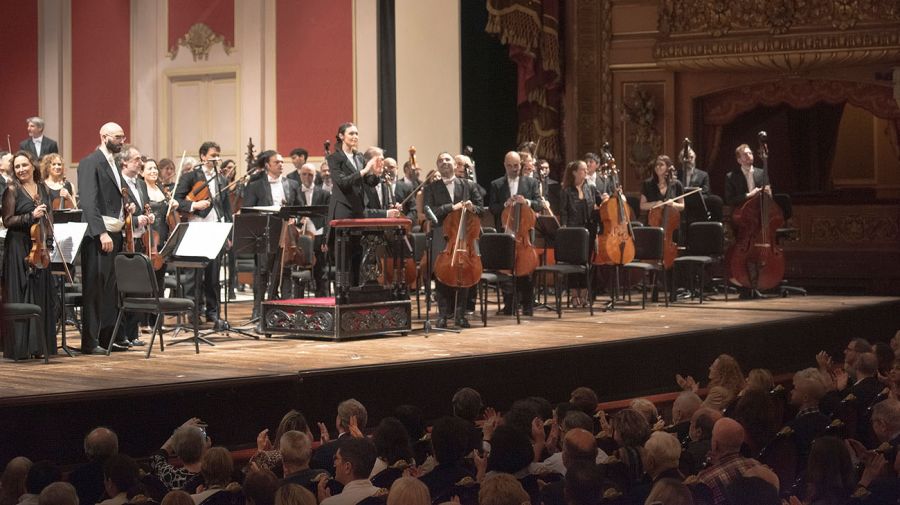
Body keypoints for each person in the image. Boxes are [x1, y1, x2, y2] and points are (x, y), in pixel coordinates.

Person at [77, 122, 131, 354]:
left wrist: (127, 205)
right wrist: (101, 233)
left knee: (110, 290)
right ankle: (90, 342)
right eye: (118, 137)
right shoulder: (90, 162)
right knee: (95, 289)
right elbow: (89, 202)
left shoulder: (114, 162)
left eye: (122, 137)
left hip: (115, 232)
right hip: (100, 235)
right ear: (104, 136)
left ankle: (107, 339)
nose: (122, 141)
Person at [1, 151, 58, 360]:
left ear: (33, 166)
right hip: (18, 248)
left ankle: (39, 346)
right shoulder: (12, 190)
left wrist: (49, 244)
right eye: (17, 167)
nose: (21, 169)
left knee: (41, 292)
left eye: (24, 165)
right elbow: (7, 220)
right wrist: (30, 216)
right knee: (22, 291)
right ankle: (21, 347)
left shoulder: (42, 188)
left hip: (39, 246)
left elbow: (49, 216)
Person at [423, 152, 484, 328]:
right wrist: (451, 207)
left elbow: (482, 210)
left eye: (447, 159)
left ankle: (460, 315)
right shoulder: (431, 188)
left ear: (455, 164)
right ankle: (442, 315)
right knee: (442, 275)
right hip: (443, 234)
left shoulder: (468, 185)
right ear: (437, 166)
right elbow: (429, 211)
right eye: (440, 161)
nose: (444, 163)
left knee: (464, 273)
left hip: (465, 235)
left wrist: (473, 207)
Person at [174, 141, 232, 326]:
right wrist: (194, 205)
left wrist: (228, 233)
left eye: (218, 155)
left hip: (215, 228)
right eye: (213, 155)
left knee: (214, 275)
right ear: (203, 156)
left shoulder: (221, 179)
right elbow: (176, 201)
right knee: (194, 275)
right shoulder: (190, 177)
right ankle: (193, 312)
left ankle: (213, 312)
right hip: (196, 227)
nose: (216, 159)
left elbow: (226, 207)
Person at [243, 150, 302, 315]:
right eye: (277, 162)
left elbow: (300, 208)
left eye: (282, 162)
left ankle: (286, 309)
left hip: (287, 233)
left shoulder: (292, 184)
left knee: (287, 270)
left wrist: (295, 220)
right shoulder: (255, 186)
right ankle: (259, 310)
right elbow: (248, 209)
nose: (281, 164)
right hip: (265, 233)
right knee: (262, 272)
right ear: (267, 165)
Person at [325, 122, 383, 288]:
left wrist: (376, 174)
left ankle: (356, 295)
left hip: (358, 210)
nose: (355, 137)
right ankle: (342, 295)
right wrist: (364, 171)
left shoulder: (359, 158)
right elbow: (342, 183)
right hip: (343, 211)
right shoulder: (334, 158)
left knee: (358, 254)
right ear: (341, 136)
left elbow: (369, 183)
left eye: (357, 134)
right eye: (351, 134)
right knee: (344, 257)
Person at [488, 151, 542, 316]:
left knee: (526, 271)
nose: (513, 169)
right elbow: (492, 208)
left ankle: (527, 305)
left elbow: (539, 204)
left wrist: (526, 202)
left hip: (525, 231)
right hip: (506, 232)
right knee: (506, 270)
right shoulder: (496, 184)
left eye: (516, 165)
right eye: (510, 166)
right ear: (505, 165)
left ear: (521, 165)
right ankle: (509, 305)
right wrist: (506, 204)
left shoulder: (532, 183)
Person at [119, 145, 154, 347]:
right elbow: (119, 215)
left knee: (140, 289)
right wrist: (135, 221)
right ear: (124, 162)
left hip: (140, 241)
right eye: (137, 159)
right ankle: (122, 334)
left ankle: (133, 334)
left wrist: (149, 217)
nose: (140, 162)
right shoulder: (119, 183)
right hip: (126, 241)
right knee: (126, 290)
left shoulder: (140, 184)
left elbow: (144, 207)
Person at [558, 160, 601, 307]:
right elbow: (563, 212)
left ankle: (584, 294)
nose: (586, 172)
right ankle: (574, 295)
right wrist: (564, 229)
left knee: (586, 263)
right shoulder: (566, 191)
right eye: (583, 169)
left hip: (589, 231)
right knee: (573, 264)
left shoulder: (591, 188)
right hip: (573, 232)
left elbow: (600, 204)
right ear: (575, 172)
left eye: (586, 169)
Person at [296, 162, 331, 297]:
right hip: (299, 235)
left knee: (321, 272)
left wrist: (325, 240)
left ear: (315, 176)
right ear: (300, 175)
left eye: (310, 174)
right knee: (298, 270)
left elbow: (327, 217)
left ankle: (322, 301)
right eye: (304, 174)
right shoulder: (295, 191)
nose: (307, 177)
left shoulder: (324, 194)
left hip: (318, 234)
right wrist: (300, 220)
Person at [316, 438, 379, 505]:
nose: (334, 464)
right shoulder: (385, 494)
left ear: (347, 467)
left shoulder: (330, 503)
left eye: (336, 458)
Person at [678, 145, 723, 223]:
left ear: (695, 158)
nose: (689, 160)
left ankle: (715, 228)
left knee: (716, 200)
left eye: (691, 157)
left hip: (697, 201)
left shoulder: (703, 174)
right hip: (680, 201)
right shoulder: (676, 174)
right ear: (681, 160)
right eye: (686, 158)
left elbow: (706, 191)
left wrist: (693, 196)